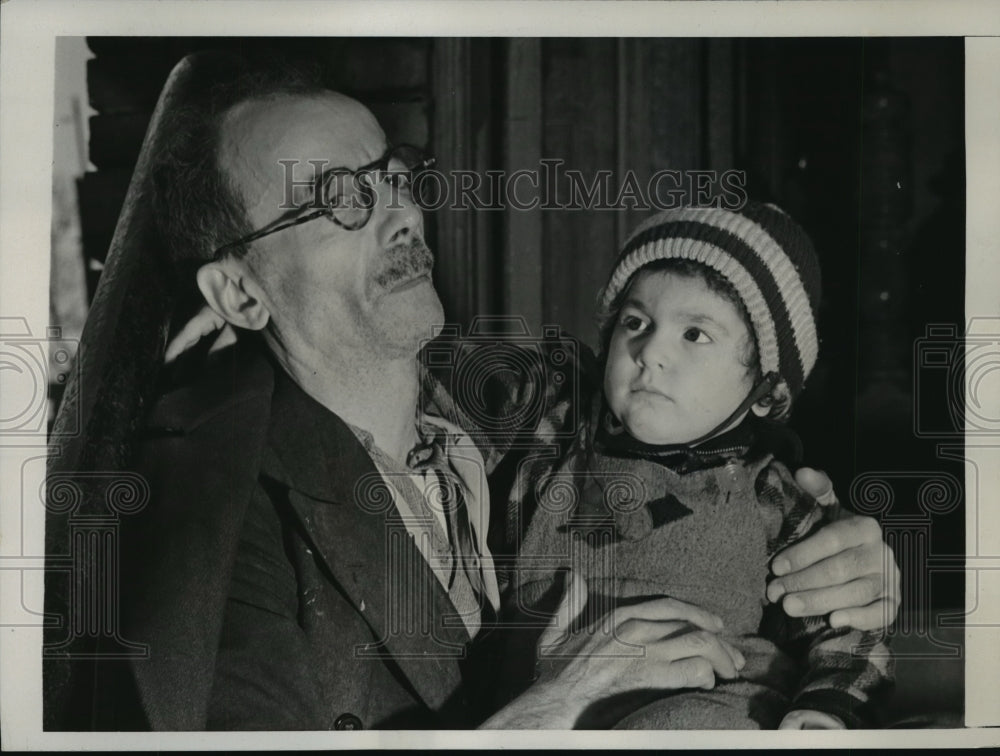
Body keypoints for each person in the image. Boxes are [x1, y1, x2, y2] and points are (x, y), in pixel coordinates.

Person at [88, 56, 899, 730]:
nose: (401, 213)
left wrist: (843, 567)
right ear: (239, 294)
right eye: (340, 197)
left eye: (394, 176)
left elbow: (711, 440)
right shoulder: (216, 524)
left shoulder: (524, 394)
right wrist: (552, 714)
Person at [504, 204, 893, 729]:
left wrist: (826, 707)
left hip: (713, 700)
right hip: (551, 699)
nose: (650, 350)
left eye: (695, 334)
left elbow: (846, 626)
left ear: (766, 393)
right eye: (635, 322)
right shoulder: (553, 443)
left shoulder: (769, 493)